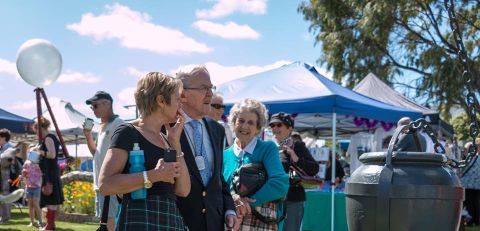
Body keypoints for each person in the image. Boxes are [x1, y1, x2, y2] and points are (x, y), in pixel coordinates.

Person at [98, 72, 190, 230]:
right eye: (177, 99)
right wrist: (155, 175)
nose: (180, 104)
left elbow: (183, 190)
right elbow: (105, 184)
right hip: (138, 219)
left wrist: (175, 142)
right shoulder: (127, 131)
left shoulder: (167, 138)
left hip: (169, 221)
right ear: (161, 100)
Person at [176, 66, 237, 231]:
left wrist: (229, 209)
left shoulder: (217, 129)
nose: (210, 93)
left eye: (211, 87)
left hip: (214, 223)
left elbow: (218, 178)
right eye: (204, 88)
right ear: (182, 94)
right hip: (180, 222)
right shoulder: (166, 128)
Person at [223, 99, 289, 231]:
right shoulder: (224, 155)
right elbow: (219, 189)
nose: (244, 126)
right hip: (231, 220)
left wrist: (247, 202)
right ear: (233, 122)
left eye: (251, 122)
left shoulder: (267, 149)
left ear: (258, 128)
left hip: (260, 222)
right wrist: (234, 200)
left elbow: (280, 184)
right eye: (241, 121)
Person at [269, 112, 319, 231]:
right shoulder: (270, 147)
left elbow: (314, 169)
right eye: (272, 125)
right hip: (272, 199)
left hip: (292, 200)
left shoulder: (297, 146)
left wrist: (295, 157)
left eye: (279, 125)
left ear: (289, 128)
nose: (275, 128)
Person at [83, 90, 124, 231]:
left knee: (109, 221)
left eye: (95, 106)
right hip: (102, 184)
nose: (93, 110)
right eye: (92, 107)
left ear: (107, 104)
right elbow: (96, 154)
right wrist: (88, 135)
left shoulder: (118, 124)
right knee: (106, 221)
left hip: (111, 181)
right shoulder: (102, 126)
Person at [33, 117, 64, 230]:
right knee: (51, 197)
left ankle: (49, 225)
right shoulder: (49, 138)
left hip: (50, 172)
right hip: (50, 171)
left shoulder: (48, 138)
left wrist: (39, 151)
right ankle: (50, 224)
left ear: (41, 128)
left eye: (36, 129)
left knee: (50, 196)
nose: (36, 132)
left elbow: (52, 155)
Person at [461, 138, 480, 227]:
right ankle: (477, 220)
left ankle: (470, 221)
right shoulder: (479, 158)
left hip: (467, 185)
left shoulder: (466, 160)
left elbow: (461, 171)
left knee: (469, 203)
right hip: (478, 185)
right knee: (477, 203)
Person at [22, 150, 43, 227]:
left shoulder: (39, 164)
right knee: (30, 205)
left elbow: (41, 174)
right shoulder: (26, 163)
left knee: (36, 204)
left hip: (37, 186)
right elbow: (23, 174)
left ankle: (40, 222)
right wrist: (23, 173)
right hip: (28, 186)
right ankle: (32, 222)